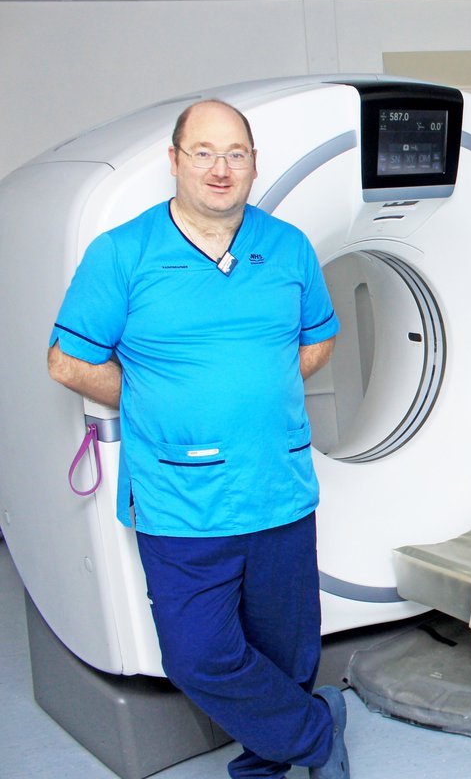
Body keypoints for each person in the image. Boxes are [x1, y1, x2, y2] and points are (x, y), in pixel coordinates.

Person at [46, 100, 349, 778]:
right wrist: (164, 401)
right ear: (176, 160)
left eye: (236, 153)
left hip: (278, 484)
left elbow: (321, 337)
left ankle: (268, 763)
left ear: (253, 165)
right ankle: (314, 735)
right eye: (205, 152)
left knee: (286, 649)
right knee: (197, 654)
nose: (221, 168)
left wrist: (262, 385)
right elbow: (67, 361)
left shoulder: (288, 245)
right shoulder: (125, 252)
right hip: (181, 496)